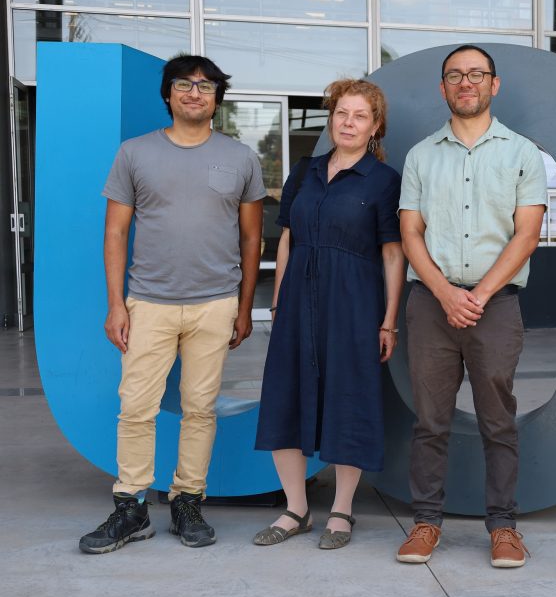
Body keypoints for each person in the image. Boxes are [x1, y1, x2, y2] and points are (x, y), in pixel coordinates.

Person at [80, 55, 265, 554]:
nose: (194, 93)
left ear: (217, 99)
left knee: (200, 408)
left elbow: (252, 238)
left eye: (205, 86)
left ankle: (187, 502)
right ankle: (131, 507)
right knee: (136, 407)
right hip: (148, 302)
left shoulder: (241, 157)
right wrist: (116, 305)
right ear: (168, 94)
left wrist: (244, 307)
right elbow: (115, 232)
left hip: (215, 304)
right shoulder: (134, 153)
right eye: (184, 84)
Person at [396, 45, 547, 568]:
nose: (466, 83)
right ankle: (425, 523)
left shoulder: (522, 153)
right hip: (430, 305)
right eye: (455, 75)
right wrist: (445, 293)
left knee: (498, 421)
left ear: (493, 85)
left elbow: (527, 235)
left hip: (495, 306)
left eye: (476, 74)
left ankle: (503, 528)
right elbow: (410, 233)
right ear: (443, 88)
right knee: (429, 422)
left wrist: (477, 296)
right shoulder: (421, 155)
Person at [253, 79, 404, 549]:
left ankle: (341, 511)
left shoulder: (384, 180)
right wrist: (278, 303)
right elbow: (287, 239)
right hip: (296, 302)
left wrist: (388, 320)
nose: (348, 123)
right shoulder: (305, 171)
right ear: (331, 118)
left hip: (354, 304)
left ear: (375, 127)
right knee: (285, 397)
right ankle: (296, 510)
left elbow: (393, 254)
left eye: (360, 116)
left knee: (349, 399)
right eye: (342, 113)